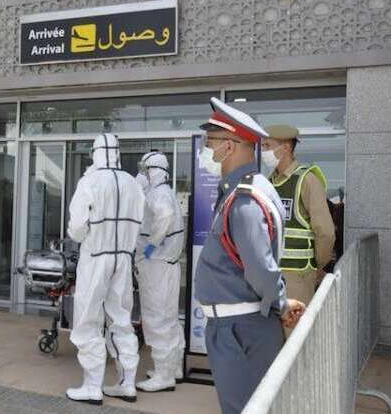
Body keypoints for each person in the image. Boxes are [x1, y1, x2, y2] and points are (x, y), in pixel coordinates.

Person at [195, 98, 306, 414]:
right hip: (239, 327)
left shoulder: (245, 200)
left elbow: (260, 267)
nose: (205, 150)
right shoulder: (246, 189)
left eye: (209, 143)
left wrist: (280, 303)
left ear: (228, 146)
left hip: (240, 330)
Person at [66, 133, 146, 405]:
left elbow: (77, 227)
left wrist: (85, 235)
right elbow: (141, 222)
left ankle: (92, 386)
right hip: (123, 258)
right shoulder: (132, 183)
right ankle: (127, 383)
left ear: (96, 152)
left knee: (88, 319)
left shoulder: (89, 181)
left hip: (96, 256)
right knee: (121, 320)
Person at [263, 125, 336, 304]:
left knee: (295, 323)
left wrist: (316, 265)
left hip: (297, 278)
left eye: (267, 146)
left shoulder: (307, 180)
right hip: (268, 276)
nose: (263, 151)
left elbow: (325, 233)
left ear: (286, 147)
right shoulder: (268, 182)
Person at [135, 151, 186, 393]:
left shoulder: (158, 194)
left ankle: (163, 376)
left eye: (145, 170)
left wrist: (151, 246)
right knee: (169, 318)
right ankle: (172, 368)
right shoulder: (166, 192)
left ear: (154, 170)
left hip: (157, 264)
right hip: (167, 264)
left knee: (157, 318)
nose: (142, 174)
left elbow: (164, 216)